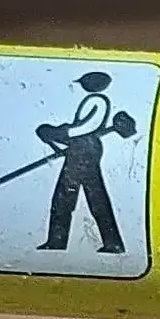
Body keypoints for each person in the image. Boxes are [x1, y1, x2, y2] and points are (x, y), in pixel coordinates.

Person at [38, 71, 124, 253]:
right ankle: (110, 243)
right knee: (82, 199)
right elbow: (78, 130)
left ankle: (59, 242)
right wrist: (56, 134)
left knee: (72, 199)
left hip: (85, 154)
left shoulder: (98, 102)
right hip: (81, 151)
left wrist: (55, 133)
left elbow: (84, 129)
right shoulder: (91, 101)